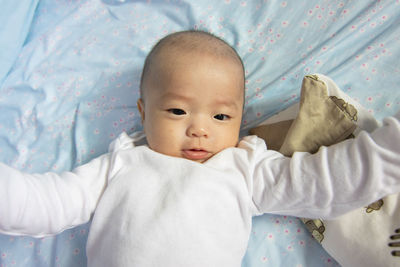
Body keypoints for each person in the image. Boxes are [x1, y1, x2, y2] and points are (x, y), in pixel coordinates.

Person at [1, 30, 400, 267]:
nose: (199, 130)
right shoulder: (119, 165)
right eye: (177, 110)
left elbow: (319, 184)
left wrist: (388, 153)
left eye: (221, 117)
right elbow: (46, 203)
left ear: (240, 119)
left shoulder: (244, 169)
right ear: (144, 112)